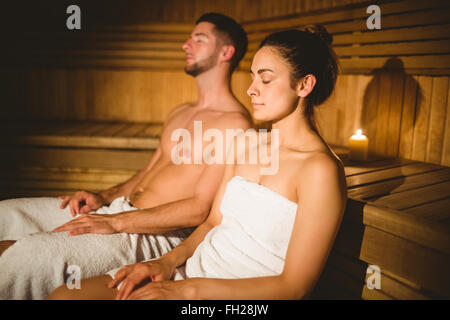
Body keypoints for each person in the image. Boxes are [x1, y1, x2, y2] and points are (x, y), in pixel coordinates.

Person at [48, 25, 348, 300]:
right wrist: (163, 264)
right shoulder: (246, 144)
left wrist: (186, 292)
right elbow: (213, 222)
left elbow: (293, 288)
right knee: (64, 297)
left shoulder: (320, 171)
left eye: (266, 78)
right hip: (191, 274)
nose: (252, 88)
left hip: (235, 298)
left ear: (304, 85)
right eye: (253, 76)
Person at [0, 13, 252, 299]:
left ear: (226, 52)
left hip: (154, 232)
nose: (186, 45)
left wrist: (117, 222)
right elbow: (147, 173)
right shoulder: (181, 112)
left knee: (26, 257)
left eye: (199, 39)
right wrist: (104, 197)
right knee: (5, 215)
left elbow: (200, 209)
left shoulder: (235, 124)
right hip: (118, 208)